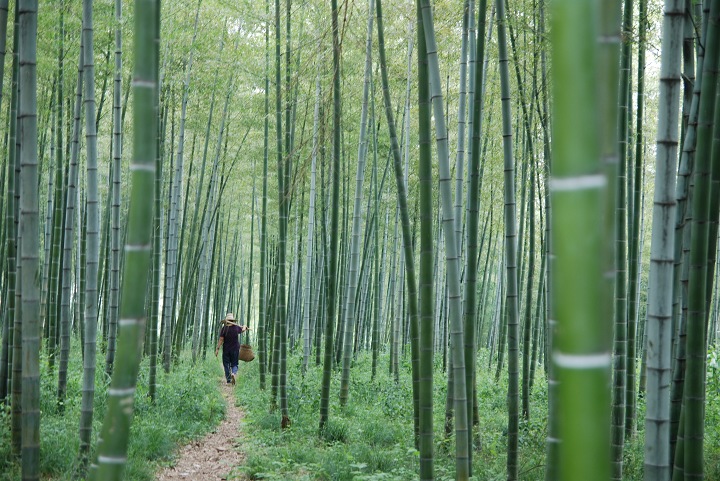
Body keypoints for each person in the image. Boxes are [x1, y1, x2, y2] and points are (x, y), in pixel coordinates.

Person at [214, 313, 248, 385]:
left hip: (226, 350)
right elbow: (243, 330)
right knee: (235, 364)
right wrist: (245, 326)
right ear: (232, 320)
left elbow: (221, 339)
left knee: (226, 364)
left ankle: (229, 380)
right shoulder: (236, 328)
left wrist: (217, 349)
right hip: (235, 349)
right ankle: (234, 373)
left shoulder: (224, 329)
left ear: (226, 321)